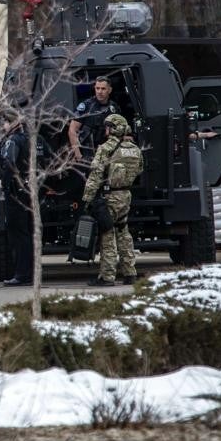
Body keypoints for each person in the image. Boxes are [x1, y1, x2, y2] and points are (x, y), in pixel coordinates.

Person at [82, 114, 145, 287]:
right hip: (126, 196)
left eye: (108, 126)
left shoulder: (106, 148)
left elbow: (95, 175)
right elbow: (140, 169)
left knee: (107, 235)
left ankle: (107, 276)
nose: (106, 130)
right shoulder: (134, 149)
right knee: (124, 232)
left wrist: (87, 199)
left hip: (110, 196)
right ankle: (130, 272)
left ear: (113, 128)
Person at [0, 119, 35, 287]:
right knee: (27, 233)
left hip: (16, 192)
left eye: (5, 122)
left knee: (18, 234)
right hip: (28, 191)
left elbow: (9, 163)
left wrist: (4, 183)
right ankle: (28, 272)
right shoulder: (31, 139)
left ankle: (22, 275)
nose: (3, 126)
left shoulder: (12, 141)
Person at [68, 77, 121, 162]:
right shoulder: (86, 106)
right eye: (97, 88)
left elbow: (118, 131)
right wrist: (78, 155)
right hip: (87, 153)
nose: (100, 92)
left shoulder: (114, 107)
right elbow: (72, 130)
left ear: (110, 90)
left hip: (106, 152)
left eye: (103, 89)